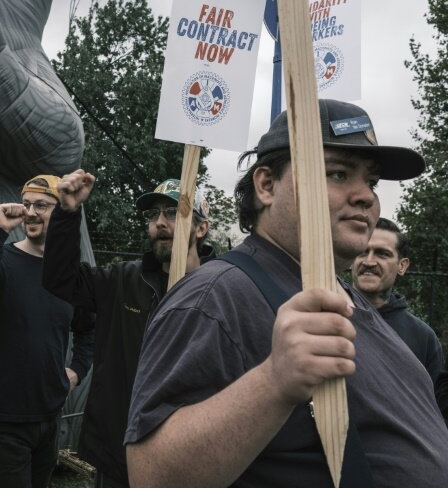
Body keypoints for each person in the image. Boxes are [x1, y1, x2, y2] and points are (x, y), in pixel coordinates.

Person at [124, 99, 448, 487]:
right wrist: (274, 381)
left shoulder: (343, 293)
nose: (365, 195)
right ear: (266, 185)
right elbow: (150, 475)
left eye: (372, 182)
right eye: (339, 173)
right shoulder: (215, 296)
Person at [43, 171, 213, 488]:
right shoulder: (122, 281)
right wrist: (67, 212)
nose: (159, 222)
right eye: (153, 214)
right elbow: (59, 279)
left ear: (201, 228)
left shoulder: (219, 290)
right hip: (119, 456)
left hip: (188, 458)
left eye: (173, 212)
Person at [0, 175, 94, 488]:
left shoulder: (71, 275)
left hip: (48, 417)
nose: (31, 213)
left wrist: (77, 370)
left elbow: (88, 330)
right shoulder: (1, 259)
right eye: (27, 204)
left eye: (41, 205)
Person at [351, 217, 444, 384]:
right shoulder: (327, 317)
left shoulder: (423, 338)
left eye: (382, 254)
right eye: (363, 252)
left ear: (402, 266)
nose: (369, 261)